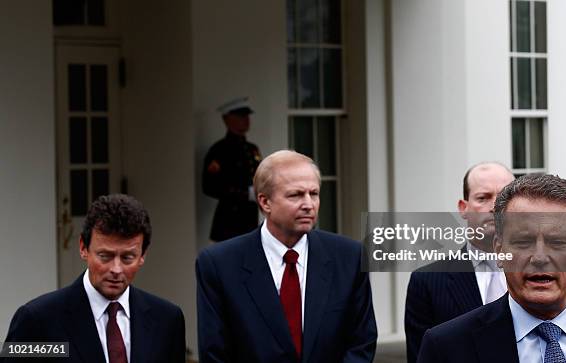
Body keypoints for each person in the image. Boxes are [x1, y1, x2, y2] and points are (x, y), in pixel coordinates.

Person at [196, 150, 377, 363]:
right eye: (296, 195)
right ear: (265, 202)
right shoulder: (219, 264)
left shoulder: (349, 257)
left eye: (314, 193)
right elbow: (214, 353)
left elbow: (361, 343)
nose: (309, 204)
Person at [417, 174, 566, 362]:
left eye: (557, 242)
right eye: (523, 242)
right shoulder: (447, 346)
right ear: (499, 250)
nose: (539, 257)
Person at [2, 194, 185, 363]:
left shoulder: (167, 320)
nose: (116, 269)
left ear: (143, 255)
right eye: (105, 256)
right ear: (83, 248)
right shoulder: (38, 320)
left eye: (127, 258)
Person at [404, 162, 515, 363]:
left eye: (504, 197)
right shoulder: (427, 281)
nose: (494, 207)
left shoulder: (542, 273)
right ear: (463, 208)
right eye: (483, 198)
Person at [202, 96, 262, 242]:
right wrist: (243, 193)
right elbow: (209, 186)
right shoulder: (220, 150)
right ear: (227, 119)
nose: (246, 120)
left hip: (249, 219)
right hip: (229, 220)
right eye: (241, 116)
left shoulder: (252, 149)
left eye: (247, 116)